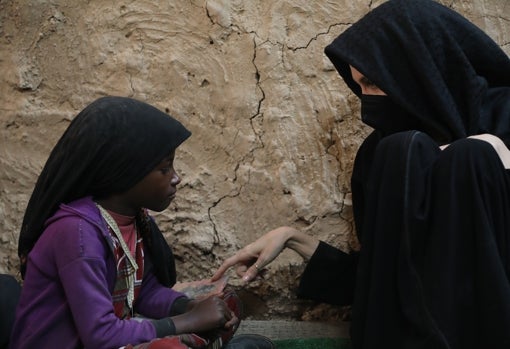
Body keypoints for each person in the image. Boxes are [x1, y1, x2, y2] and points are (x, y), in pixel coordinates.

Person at [212, 0, 510, 348]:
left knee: (471, 156)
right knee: (403, 151)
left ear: (415, 69)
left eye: (373, 82)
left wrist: (487, 164)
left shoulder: (503, 117)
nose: (365, 100)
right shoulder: (384, 154)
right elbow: (383, 274)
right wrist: (292, 238)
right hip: (403, 334)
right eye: (359, 86)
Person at [10, 96, 242, 349]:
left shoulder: (131, 220)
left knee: (225, 306)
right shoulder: (77, 233)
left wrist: (188, 307)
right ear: (124, 171)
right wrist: (188, 321)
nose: (176, 178)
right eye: (164, 169)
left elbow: (143, 291)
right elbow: (101, 335)